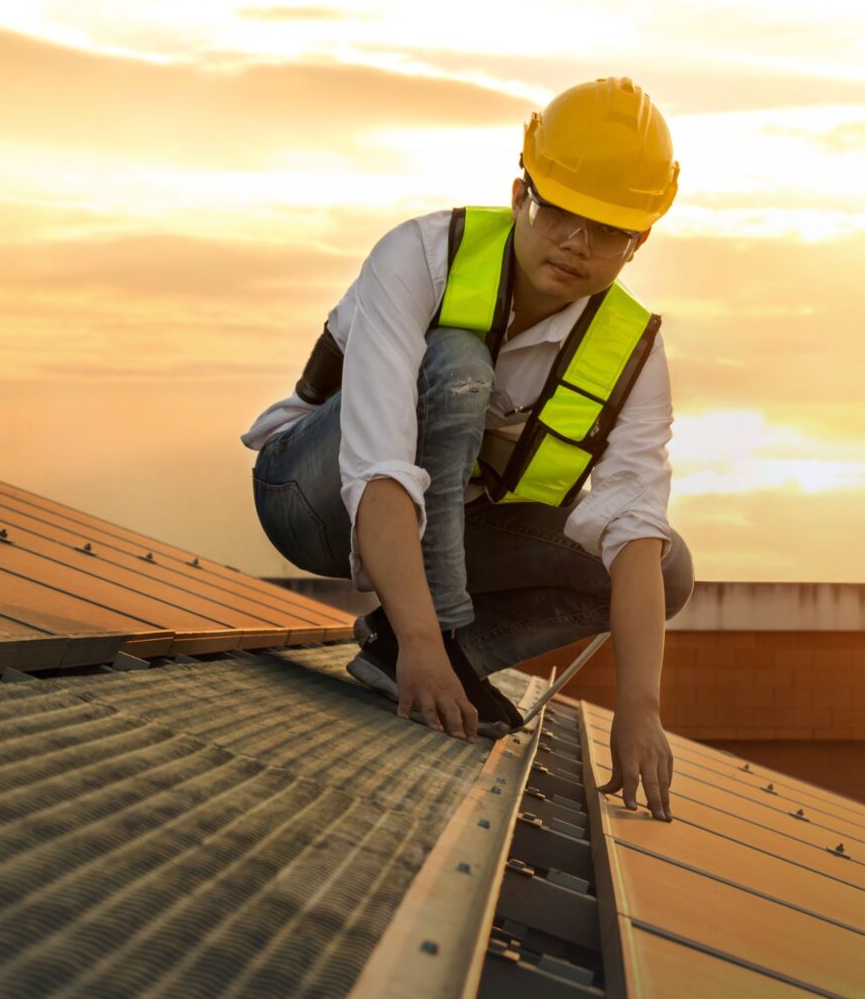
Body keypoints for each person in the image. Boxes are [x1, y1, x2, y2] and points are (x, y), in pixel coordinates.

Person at [241, 76, 692, 819]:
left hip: (441, 535)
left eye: (608, 230)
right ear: (521, 193)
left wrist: (641, 705)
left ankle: (406, 653)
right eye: (559, 213)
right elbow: (379, 465)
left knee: (666, 566)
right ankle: (433, 641)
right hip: (313, 498)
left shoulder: (634, 354)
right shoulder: (422, 256)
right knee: (455, 365)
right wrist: (429, 635)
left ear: (638, 242)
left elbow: (634, 531)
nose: (577, 244)